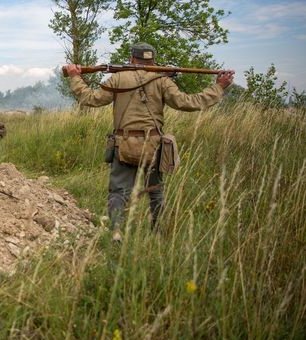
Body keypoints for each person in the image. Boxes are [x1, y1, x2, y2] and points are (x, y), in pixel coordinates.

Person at [64, 42, 234, 242]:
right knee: (155, 192)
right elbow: (188, 103)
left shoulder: (118, 78)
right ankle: (159, 235)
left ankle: (117, 232)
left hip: (123, 143)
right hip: (153, 145)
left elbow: (91, 98)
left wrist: (75, 76)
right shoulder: (162, 80)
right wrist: (219, 87)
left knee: (118, 192)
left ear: (131, 59)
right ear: (152, 60)